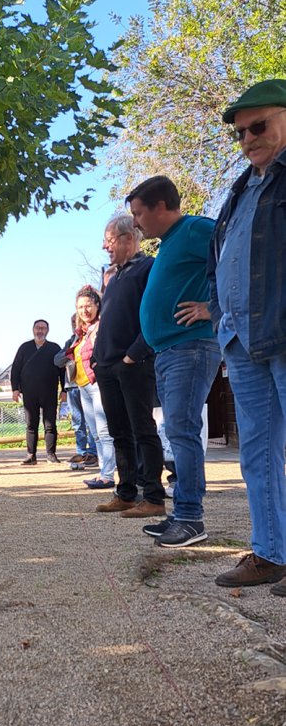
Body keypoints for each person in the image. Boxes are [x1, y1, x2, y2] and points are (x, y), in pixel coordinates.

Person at [207, 79, 286, 595]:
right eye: (240, 133)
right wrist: (218, 314)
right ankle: (272, 553)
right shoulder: (243, 186)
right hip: (241, 336)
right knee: (256, 450)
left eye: (258, 126)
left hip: (281, 327)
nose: (248, 139)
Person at [129, 175, 221, 548]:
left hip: (191, 347)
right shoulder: (168, 244)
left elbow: (239, 260)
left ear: (161, 207)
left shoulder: (196, 229)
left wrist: (212, 308)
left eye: (138, 213)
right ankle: (181, 512)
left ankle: (190, 518)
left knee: (182, 432)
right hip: (169, 352)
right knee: (177, 432)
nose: (135, 222)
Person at [92, 213, 166, 518]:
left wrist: (132, 355)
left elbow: (155, 314)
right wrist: (98, 359)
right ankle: (125, 493)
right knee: (118, 433)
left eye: (108, 240)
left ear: (127, 238)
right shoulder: (113, 275)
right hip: (107, 365)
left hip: (132, 363)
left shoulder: (149, 268)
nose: (104, 246)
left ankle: (153, 497)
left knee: (142, 429)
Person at [65, 286, 117, 490]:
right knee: (95, 433)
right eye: (80, 307)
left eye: (88, 305)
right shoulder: (82, 333)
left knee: (104, 432)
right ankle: (103, 472)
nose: (84, 310)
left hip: (97, 384)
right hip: (82, 385)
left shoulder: (101, 326)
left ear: (97, 305)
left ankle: (108, 474)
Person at [10, 320, 65, 465]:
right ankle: (31, 455)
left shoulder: (54, 348)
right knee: (31, 424)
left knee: (50, 424)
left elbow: (62, 371)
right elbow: (15, 369)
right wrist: (15, 389)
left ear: (48, 330)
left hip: (50, 391)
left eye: (43, 328)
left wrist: (64, 390)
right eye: (37, 328)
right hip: (29, 392)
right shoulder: (24, 348)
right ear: (33, 329)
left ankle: (51, 454)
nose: (40, 330)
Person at [55, 315, 98, 471]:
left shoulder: (92, 335)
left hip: (88, 383)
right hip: (72, 386)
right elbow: (57, 360)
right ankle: (81, 451)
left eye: (77, 321)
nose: (75, 324)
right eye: (72, 322)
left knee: (92, 420)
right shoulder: (71, 340)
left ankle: (93, 452)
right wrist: (71, 353)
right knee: (77, 421)